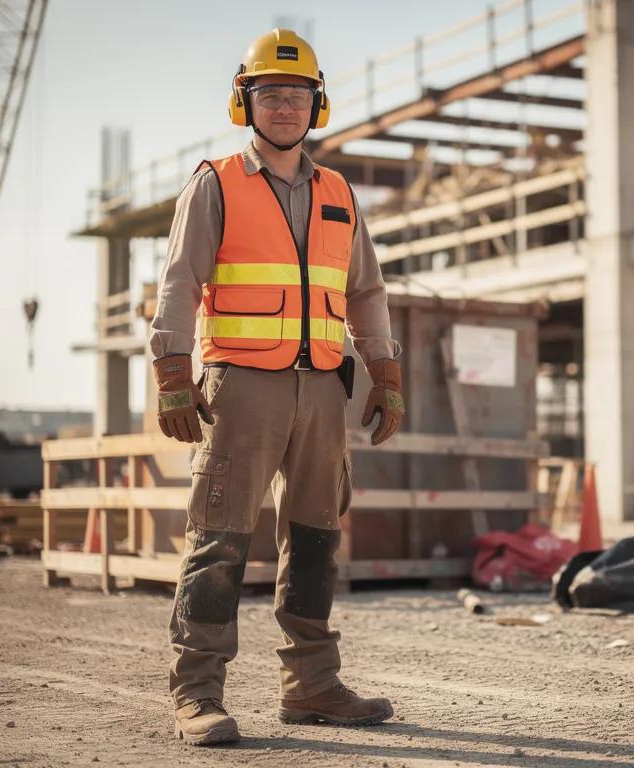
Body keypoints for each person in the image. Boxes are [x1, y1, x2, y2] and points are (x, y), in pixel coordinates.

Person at [148, 28, 405, 746]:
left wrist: (383, 369)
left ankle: (312, 685)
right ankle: (197, 692)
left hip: (323, 387)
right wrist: (172, 370)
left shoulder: (338, 192)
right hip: (242, 386)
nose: (285, 107)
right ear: (245, 102)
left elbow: (367, 291)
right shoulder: (216, 182)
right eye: (270, 95)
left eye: (297, 96)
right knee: (220, 537)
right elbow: (179, 282)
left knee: (318, 537)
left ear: (316, 107)